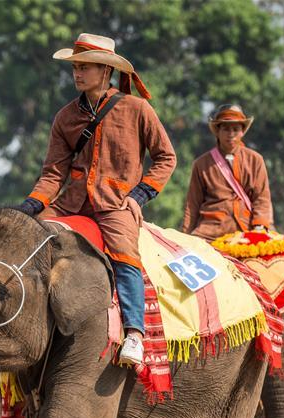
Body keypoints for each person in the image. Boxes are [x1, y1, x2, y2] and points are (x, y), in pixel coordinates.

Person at [17, 33, 177, 365]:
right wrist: (30, 206)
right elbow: (52, 173)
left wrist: (139, 196)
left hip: (116, 202)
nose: (77, 73)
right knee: (28, 239)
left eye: (85, 67)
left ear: (105, 71)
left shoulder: (137, 109)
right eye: (75, 67)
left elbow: (166, 157)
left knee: (123, 252)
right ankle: (25, 326)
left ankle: (134, 333)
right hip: (72, 201)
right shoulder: (65, 117)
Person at [182, 104, 272, 240]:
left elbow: (262, 198)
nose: (231, 134)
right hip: (209, 232)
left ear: (242, 132)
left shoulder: (255, 160)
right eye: (226, 129)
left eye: (236, 129)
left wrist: (259, 227)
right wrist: (185, 238)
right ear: (217, 131)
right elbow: (192, 205)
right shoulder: (201, 164)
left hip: (246, 230)